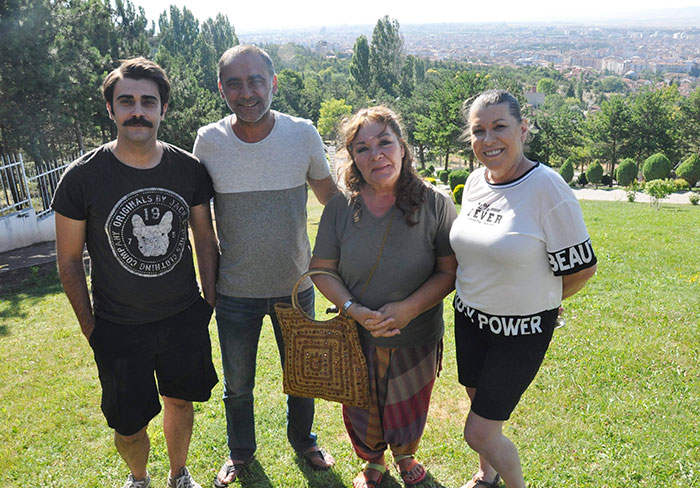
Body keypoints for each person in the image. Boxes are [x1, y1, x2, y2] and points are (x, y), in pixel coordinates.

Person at [52, 57, 219, 488]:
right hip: (118, 325)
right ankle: (139, 478)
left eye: (149, 101)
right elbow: (68, 260)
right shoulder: (82, 178)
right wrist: (91, 328)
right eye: (126, 101)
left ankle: (179, 473)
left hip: (182, 316)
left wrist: (208, 303)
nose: (138, 111)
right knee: (127, 423)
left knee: (181, 401)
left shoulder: (188, 170)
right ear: (111, 110)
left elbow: (204, 238)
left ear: (163, 109)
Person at [192, 45, 339, 487]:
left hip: (296, 287)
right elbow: (201, 226)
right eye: (234, 83)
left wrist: (334, 271)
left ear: (273, 83)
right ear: (221, 89)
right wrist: (210, 287)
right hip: (235, 291)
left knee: (303, 378)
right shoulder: (208, 141)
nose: (247, 92)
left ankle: (304, 441)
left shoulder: (302, 134)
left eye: (256, 80)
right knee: (238, 385)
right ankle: (240, 453)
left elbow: (332, 205)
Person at [450, 89, 598, 488]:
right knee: (480, 408)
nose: (488, 139)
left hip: (520, 333)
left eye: (500, 127)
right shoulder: (476, 181)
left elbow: (582, 269)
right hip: (469, 320)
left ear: (522, 128)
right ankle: (487, 475)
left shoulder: (547, 189)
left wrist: (546, 300)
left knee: (478, 431)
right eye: (478, 130)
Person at [310, 106, 458, 488]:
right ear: (353, 159)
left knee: (410, 403)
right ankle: (373, 462)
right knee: (361, 405)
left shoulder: (435, 203)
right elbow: (322, 269)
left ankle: (406, 454)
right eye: (362, 148)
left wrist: (409, 309)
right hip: (355, 334)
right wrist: (353, 309)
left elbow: (449, 270)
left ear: (403, 148)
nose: (375, 154)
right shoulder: (341, 206)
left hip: (418, 332)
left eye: (384, 142)